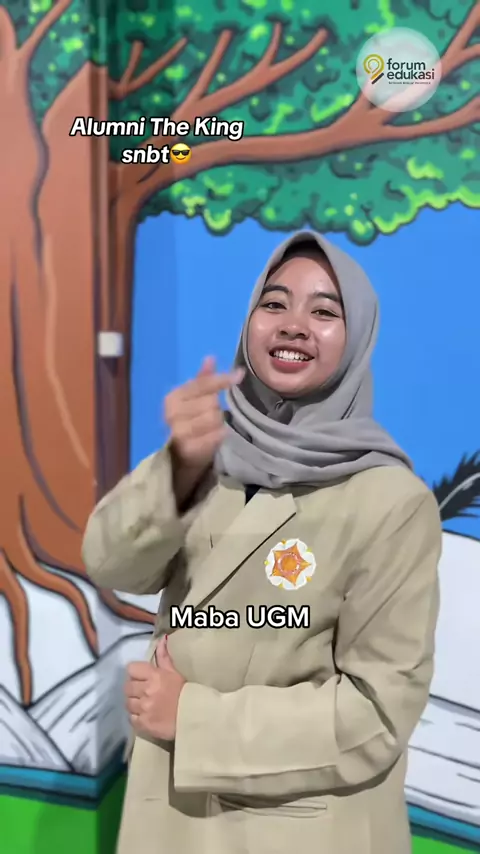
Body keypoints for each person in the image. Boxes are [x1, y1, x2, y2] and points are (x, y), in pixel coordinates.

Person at [82, 231, 442, 854]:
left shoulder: (391, 501)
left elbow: (378, 715)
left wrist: (191, 717)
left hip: (293, 831)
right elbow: (110, 563)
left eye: (324, 311)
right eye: (274, 303)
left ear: (357, 338)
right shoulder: (209, 454)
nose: (293, 324)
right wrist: (177, 470)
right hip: (170, 818)